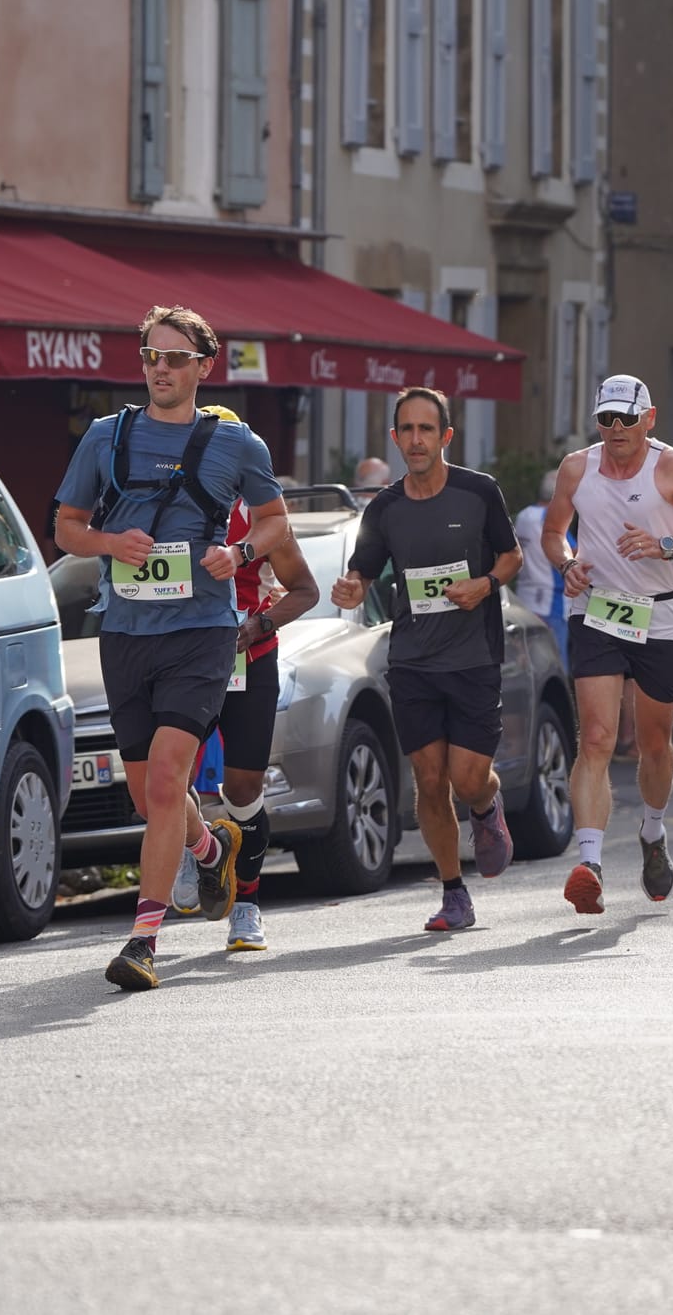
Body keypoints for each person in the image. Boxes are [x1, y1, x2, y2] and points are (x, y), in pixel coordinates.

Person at [54, 305, 289, 991]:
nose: (160, 368)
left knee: (165, 779)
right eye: (151, 356)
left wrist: (238, 551)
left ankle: (143, 940)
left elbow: (275, 521)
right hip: (126, 634)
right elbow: (67, 526)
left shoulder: (236, 443)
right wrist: (107, 543)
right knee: (145, 792)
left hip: (202, 633)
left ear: (202, 368)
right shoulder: (105, 437)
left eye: (175, 358)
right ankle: (213, 845)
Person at [541, 374, 673, 913]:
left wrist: (668, 544)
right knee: (599, 739)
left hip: (661, 616)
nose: (615, 430)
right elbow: (552, 530)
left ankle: (653, 833)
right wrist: (566, 563)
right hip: (598, 611)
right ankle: (589, 864)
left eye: (626, 419)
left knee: (654, 745)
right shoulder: (577, 468)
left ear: (648, 418)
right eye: (605, 419)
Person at [329, 387, 520, 931]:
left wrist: (484, 585)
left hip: (473, 657)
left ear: (446, 437)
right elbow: (363, 569)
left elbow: (512, 555)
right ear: (395, 438)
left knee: (467, 778)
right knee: (430, 779)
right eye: (406, 430)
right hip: (412, 659)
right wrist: (351, 587)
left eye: (426, 430)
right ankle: (453, 893)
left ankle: (486, 808)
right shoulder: (384, 508)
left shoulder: (478, 492)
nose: (415, 440)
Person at [170, 489, 322, 950]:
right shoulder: (167, 508)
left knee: (242, 790)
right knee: (171, 776)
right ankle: (193, 846)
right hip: (186, 660)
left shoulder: (260, 517)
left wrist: (260, 625)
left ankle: (247, 907)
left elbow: (306, 590)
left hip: (250, 661)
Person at [512, 469, 567, 660]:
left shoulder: (524, 516)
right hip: (550, 600)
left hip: (525, 596)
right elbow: (572, 553)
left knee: (530, 660)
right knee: (555, 661)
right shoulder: (551, 517)